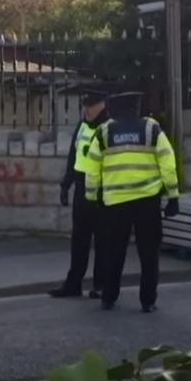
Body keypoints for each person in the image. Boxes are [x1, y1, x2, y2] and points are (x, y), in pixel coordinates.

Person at [84, 91, 179, 313]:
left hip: (115, 203)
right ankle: (148, 301)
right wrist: (173, 196)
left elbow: (92, 168)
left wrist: (92, 198)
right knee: (149, 254)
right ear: (138, 108)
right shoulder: (151, 129)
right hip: (147, 201)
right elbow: (168, 162)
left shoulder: (104, 131)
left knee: (113, 252)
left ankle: (109, 297)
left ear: (113, 110)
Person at [48, 89, 109, 299]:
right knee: (79, 240)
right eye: (84, 105)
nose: (86, 110)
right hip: (82, 190)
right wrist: (66, 185)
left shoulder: (110, 127)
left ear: (102, 105)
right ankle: (73, 285)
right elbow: (74, 157)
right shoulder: (82, 126)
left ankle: (100, 285)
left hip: (103, 191)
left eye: (90, 105)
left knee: (103, 241)